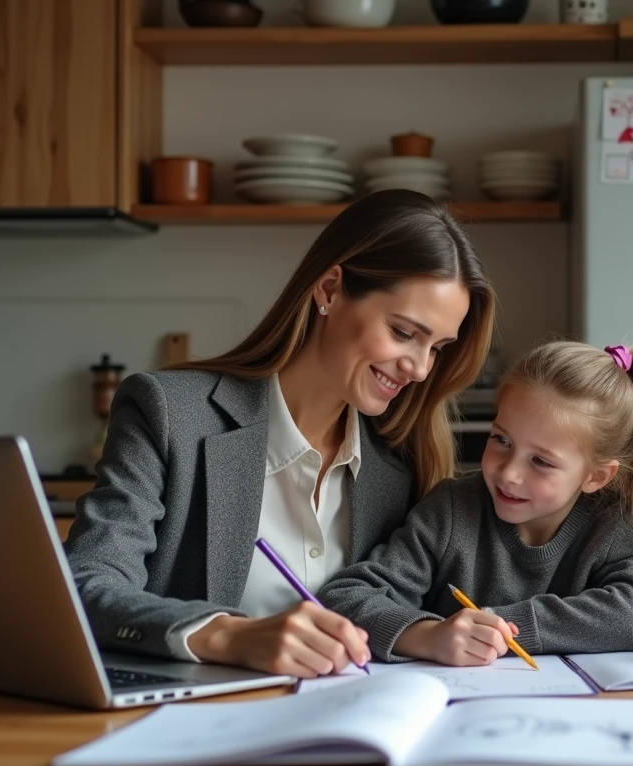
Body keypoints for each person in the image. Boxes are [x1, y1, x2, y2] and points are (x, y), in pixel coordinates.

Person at [65, 190, 495, 679]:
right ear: (330, 289)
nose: (420, 369)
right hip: (193, 733)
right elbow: (86, 584)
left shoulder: (401, 463)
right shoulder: (169, 414)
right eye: (402, 332)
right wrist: (228, 635)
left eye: (437, 348)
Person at [321, 341, 633, 665]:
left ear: (597, 476)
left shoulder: (619, 527)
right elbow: (345, 597)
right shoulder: (450, 510)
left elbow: (632, 617)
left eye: (541, 461)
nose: (509, 474)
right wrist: (429, 636)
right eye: (501, 440)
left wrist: (506, 627)